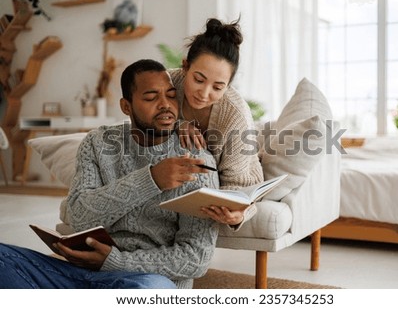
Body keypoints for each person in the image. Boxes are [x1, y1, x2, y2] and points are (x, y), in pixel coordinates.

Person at [0, 59, 219, 289]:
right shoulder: (97, 142)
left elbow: (196, 259)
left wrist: (113, 262)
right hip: (78, 272)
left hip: (144, 281)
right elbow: (78, 216)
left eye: (171, 95)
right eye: (151, 97)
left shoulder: (196, 160)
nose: (165, 105)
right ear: (126, 106)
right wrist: (151, 179)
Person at [169, 18, 264, 227]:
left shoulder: (235, 115)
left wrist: (239, 215)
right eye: (198, 80)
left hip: (237, 170)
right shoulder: (167, 84)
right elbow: (139, 120)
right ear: (185, 67)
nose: (204, 93)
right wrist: (176, 125)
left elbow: (239, 187)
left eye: (218, 87)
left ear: (228, 86)